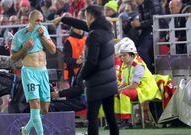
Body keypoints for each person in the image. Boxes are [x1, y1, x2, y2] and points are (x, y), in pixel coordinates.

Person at [52, 4, 119, 135]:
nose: (85, 20)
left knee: (92, 118)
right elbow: (83, 25)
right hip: (110, 82)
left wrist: (81, 77)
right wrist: (63, 19)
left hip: (96, 84)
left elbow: (91, 62)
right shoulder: (107, 30)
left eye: (86, 16)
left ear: (90, 16)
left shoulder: (94, 36)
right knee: (111, 117)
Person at [10, 10, 56, 135]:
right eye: (37, 21)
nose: (40, 23)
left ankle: (25, 130)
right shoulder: (19, 35)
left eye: (41, 21)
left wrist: (42, 37)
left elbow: (53, 50)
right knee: (35, 105)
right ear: (30, 20)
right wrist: (25, 48)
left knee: (44, 109)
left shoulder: (43, 31)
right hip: (29, 73)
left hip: (43, 72)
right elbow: (13, 58)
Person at [114, 37, 162, 128]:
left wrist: (120, 90)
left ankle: (127, 121)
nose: (121, 58)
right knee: (114, 95)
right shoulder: (125, 65)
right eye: (121, 55)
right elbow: (124, 83)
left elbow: (134, 85)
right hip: (136, 89)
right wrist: (115, 90)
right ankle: (117, 121)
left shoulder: (138, 65)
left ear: (132, 55)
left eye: (124, 55)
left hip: (145, 90)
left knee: (123, 93)